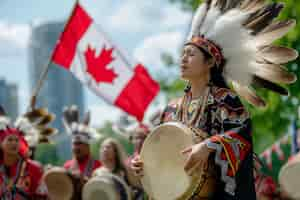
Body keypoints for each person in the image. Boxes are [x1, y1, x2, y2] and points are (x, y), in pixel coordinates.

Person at [130, 0, 298, 199]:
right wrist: (143, 165)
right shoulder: (171, 109)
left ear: (209, 61)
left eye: (190, 54)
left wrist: (208, 146)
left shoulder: (225, 101)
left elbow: (241, 137)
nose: (183, 59)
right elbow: (160, 153)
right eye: (183, 53)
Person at [0, 106, 48, 199]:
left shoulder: (34, 168)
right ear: (1, 144)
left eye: (17, 140)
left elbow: (43, 196)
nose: (14, 143)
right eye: (9, 140)